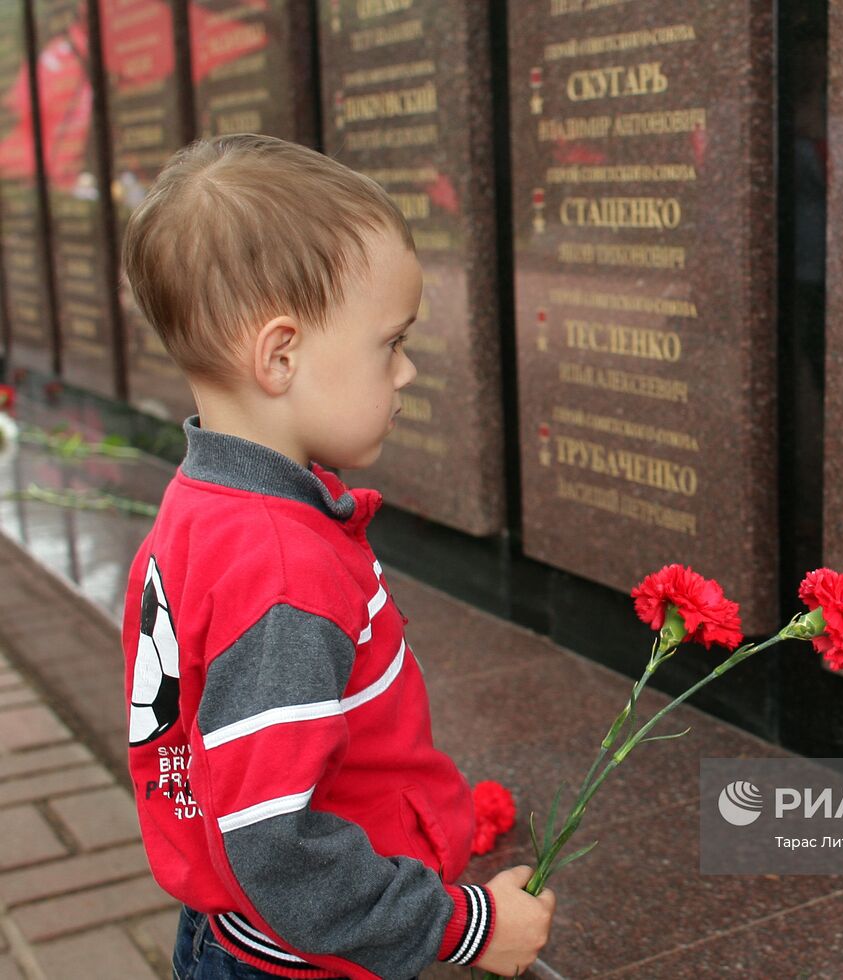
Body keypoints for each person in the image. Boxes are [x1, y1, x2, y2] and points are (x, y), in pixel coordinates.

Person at [119, 134, 555, 980]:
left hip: (241, 936)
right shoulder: (281, 574)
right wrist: (463, 927)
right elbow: (277, 843)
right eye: (389, 344)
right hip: (300, 960)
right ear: (280, 356)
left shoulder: (205, 507)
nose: (407, 370)